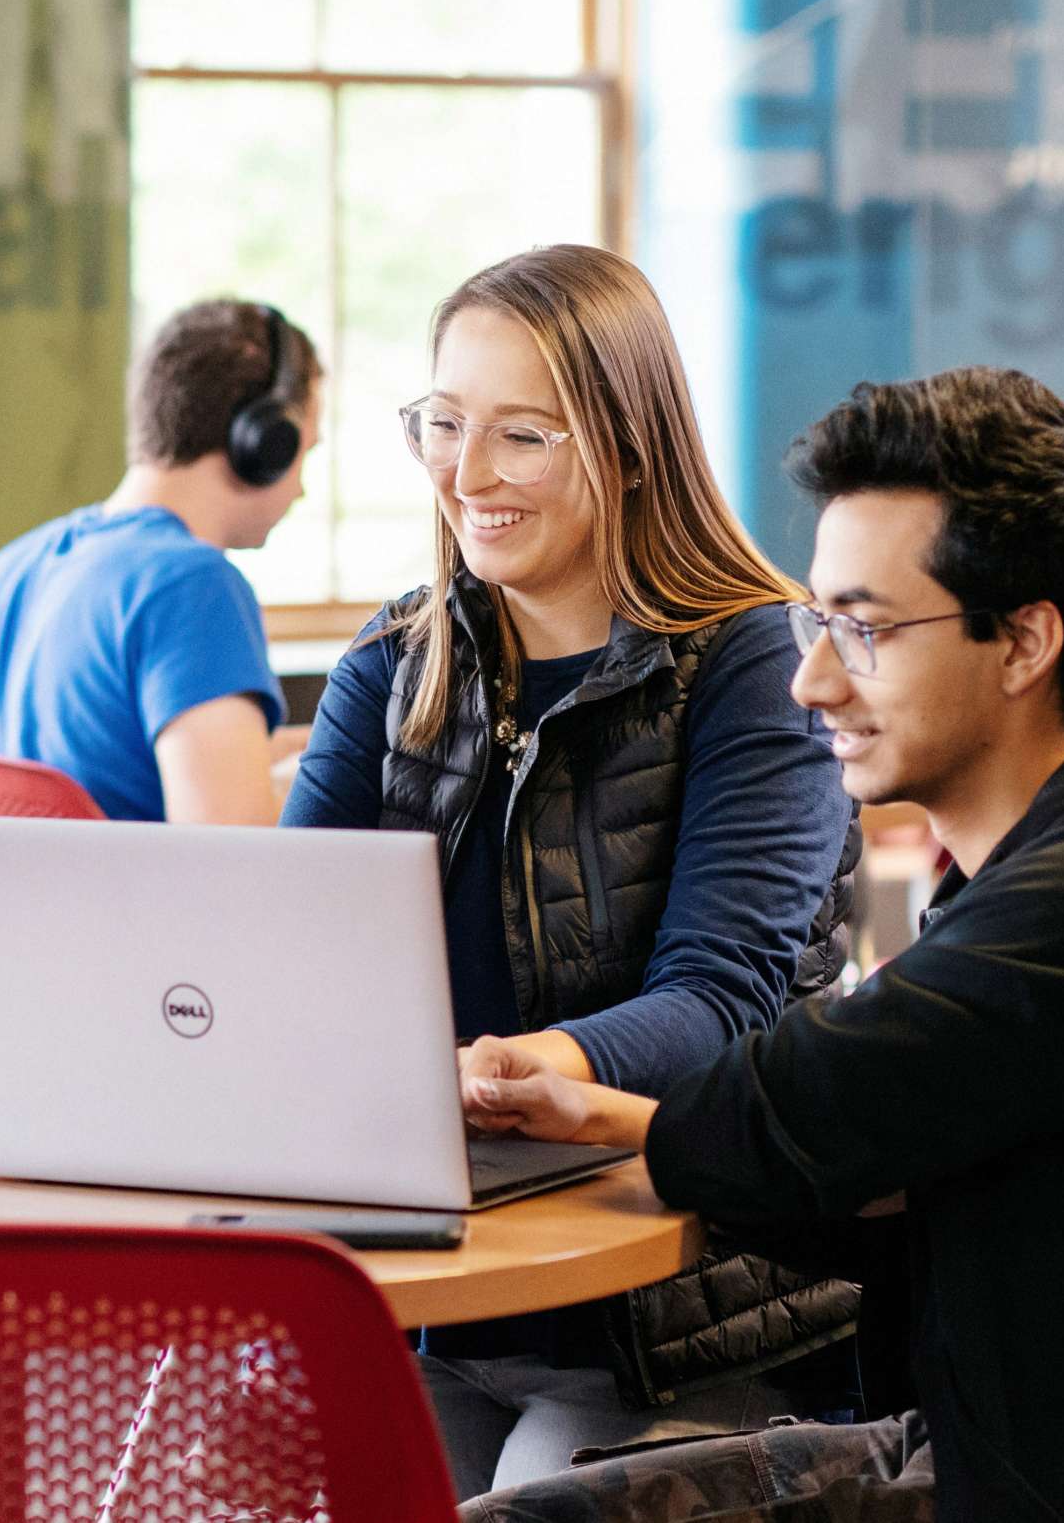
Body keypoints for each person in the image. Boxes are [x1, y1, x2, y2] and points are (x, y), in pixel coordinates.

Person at [457, 366, 1064, 1523]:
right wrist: (593, 1109)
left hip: (1048, 1487)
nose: (811, 679)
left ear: (1024, 642)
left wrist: (594, 1104)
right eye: (816, 620)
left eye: (864, 628)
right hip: (1051, 1438)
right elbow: (837, 1118)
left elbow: (788, 1111)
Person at [281, 245, 863, 1498]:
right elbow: (287, 956)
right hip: (431, 1282)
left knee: (532, 1506)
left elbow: (724, 1006)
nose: (467, 474)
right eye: (444, 424)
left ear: (630, 445)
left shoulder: (754, 666)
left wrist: (519, 1070)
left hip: (662, 1311)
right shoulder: (395, 665)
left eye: (523, 437)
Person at [0, 299, 316, 822]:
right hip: (139, 905)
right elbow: (230, 849)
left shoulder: (9, 570)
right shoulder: (194, 586)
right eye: (307, 451)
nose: (302, 487)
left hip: (4, 906)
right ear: (264, 441)